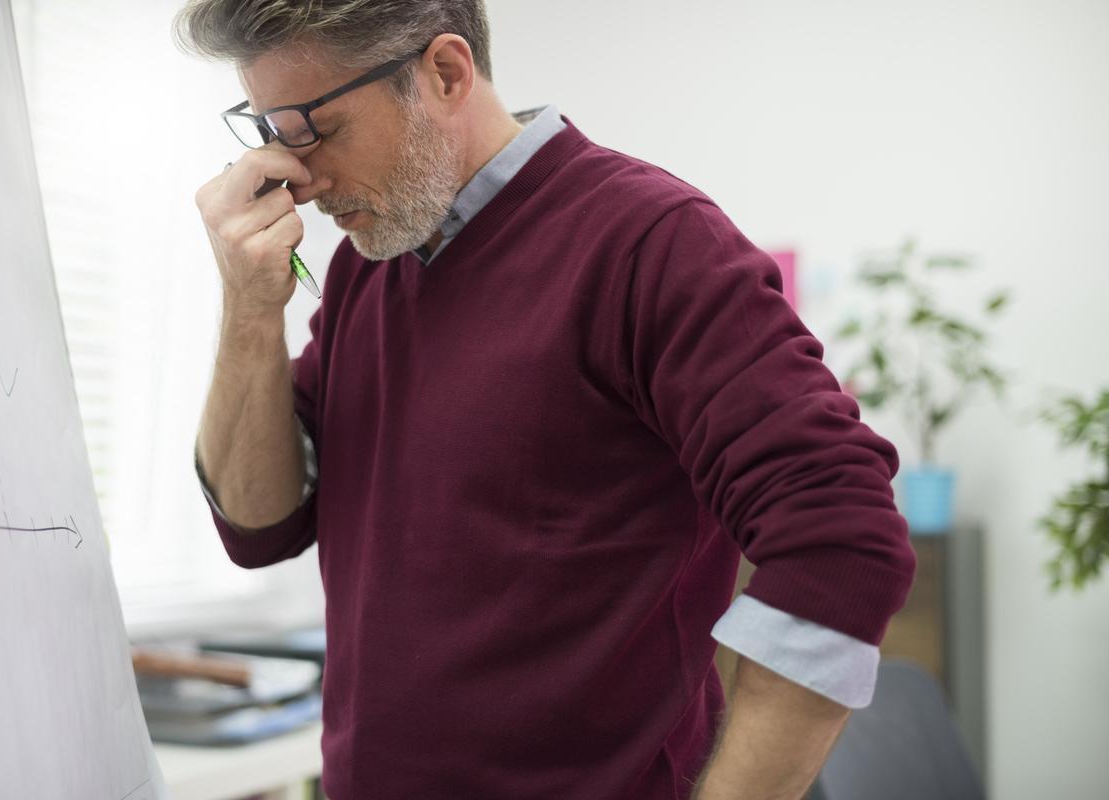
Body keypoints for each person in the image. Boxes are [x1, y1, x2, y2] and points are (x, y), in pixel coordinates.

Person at [175, 2, 917, 798]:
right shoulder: (371, 264)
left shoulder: (649, 241)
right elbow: (260, 524)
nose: (302, 177)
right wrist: (250, 307)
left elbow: (843, 541)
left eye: (315, 128)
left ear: (446, 73)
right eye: (271, 133)